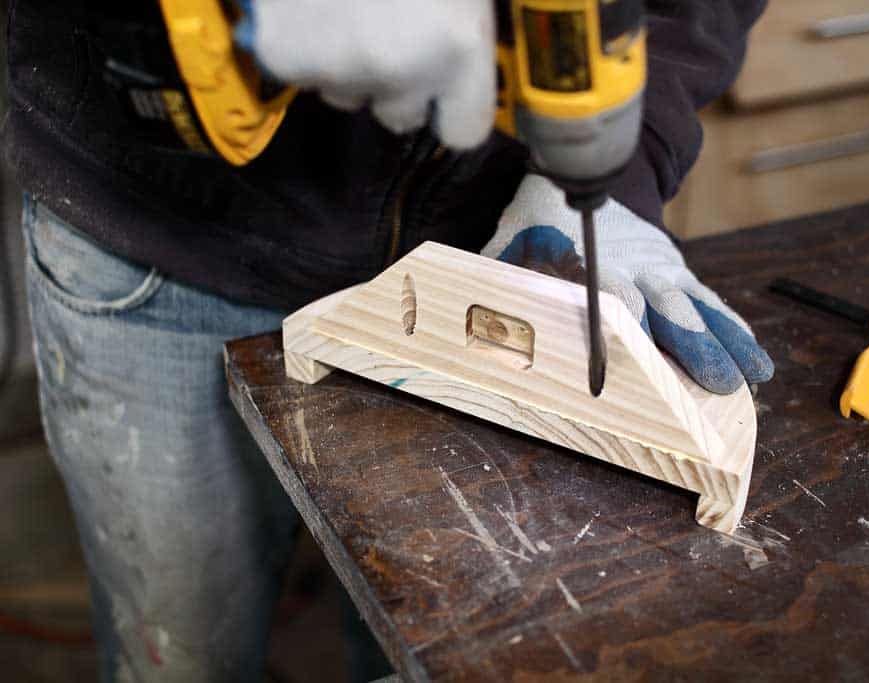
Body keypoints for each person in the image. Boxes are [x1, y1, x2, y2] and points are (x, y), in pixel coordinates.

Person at [4, 1, 771, 680]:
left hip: (478, 246)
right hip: (163, 232)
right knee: (182, 646)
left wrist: (623, 166)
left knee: (436, 650)